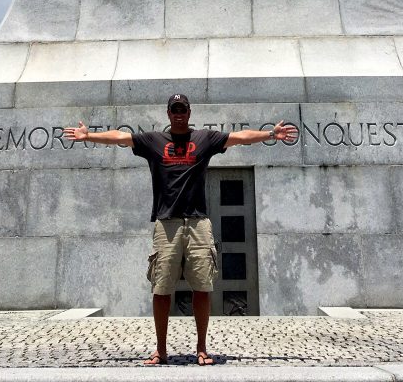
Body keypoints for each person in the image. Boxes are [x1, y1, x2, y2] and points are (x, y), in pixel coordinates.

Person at [63, 93, 299, 366]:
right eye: (174, 109)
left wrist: (270, 133)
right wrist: (88, 136)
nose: (178, 114)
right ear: (168, 113)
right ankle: (160, 350)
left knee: (202, 286)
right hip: (167, 223)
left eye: (182, 110)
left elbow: (239, 137)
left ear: (189, 112)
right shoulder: (153, 141)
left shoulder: (204, 139)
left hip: (199, 223)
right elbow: (120, 137)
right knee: (161, 288)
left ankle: (202, 348)